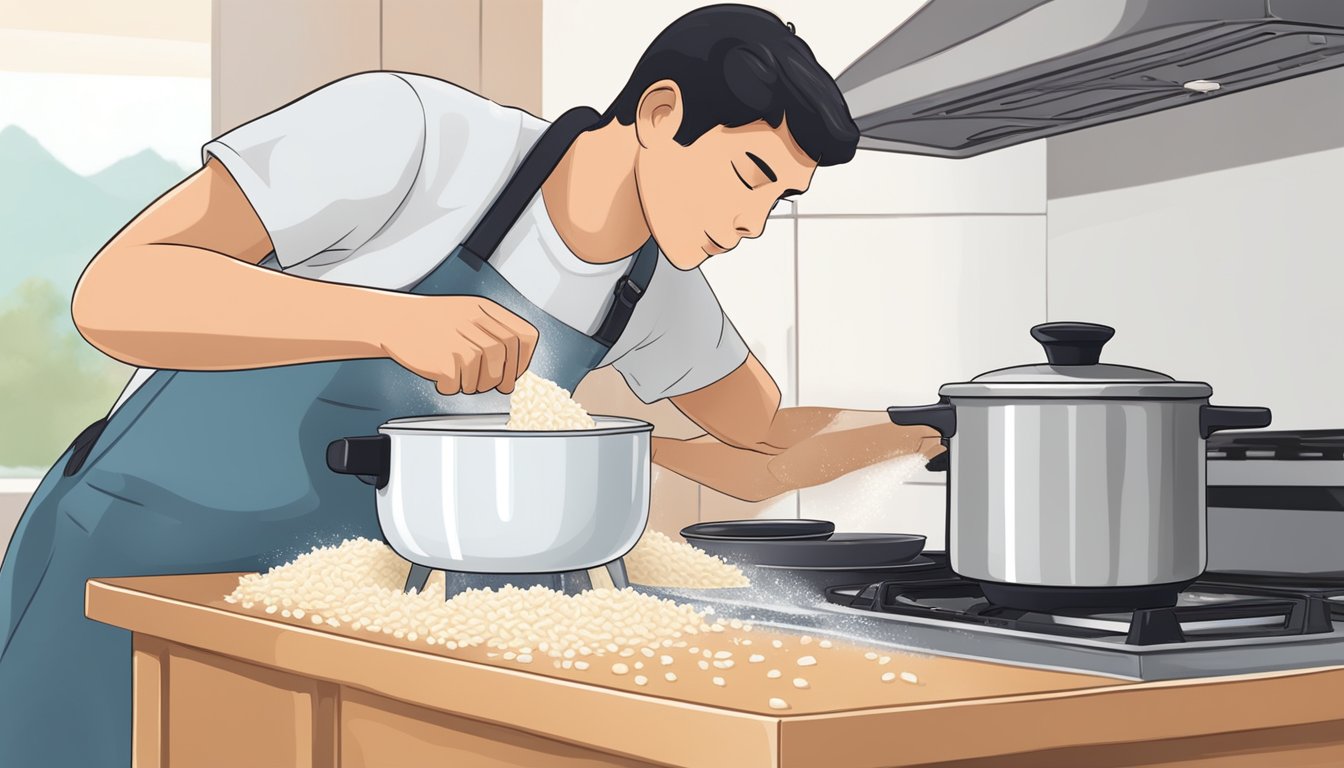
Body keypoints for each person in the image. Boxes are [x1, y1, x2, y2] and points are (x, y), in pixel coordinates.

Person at [0, 4, 941, 764]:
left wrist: (933, 426)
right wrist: (391, 318)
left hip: (316, 621)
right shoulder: (411, 134)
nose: (754, 221)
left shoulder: (656, 292)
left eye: (781, 198)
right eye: (749, 175)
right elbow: (117, 291)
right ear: (660, 114)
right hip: (130, 568)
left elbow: (762, 440)